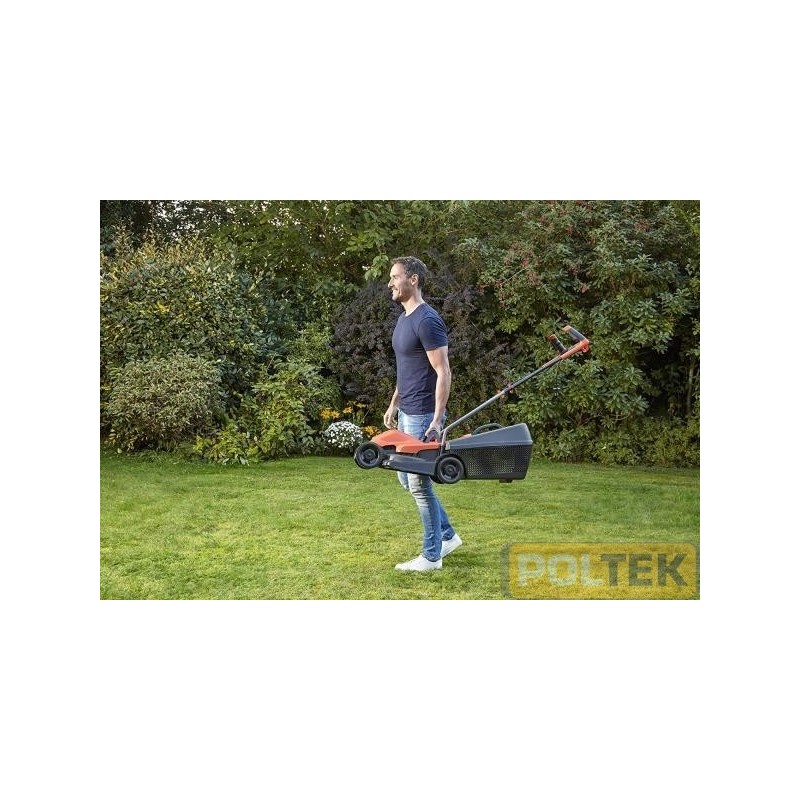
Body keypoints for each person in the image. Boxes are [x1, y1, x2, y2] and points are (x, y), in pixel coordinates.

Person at [383, 256, 463, 571]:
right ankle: (447, 535)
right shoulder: (404, 319)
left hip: (423, 414)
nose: (390, 283)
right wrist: (394, 402)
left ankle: (432, 556)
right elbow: (408, 368)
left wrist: (437, 419)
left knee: (418, 484)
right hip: (407, 411)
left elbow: (443, 371)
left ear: (413, 280)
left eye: (395, 277)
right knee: (406, 480)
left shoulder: (427, 320)